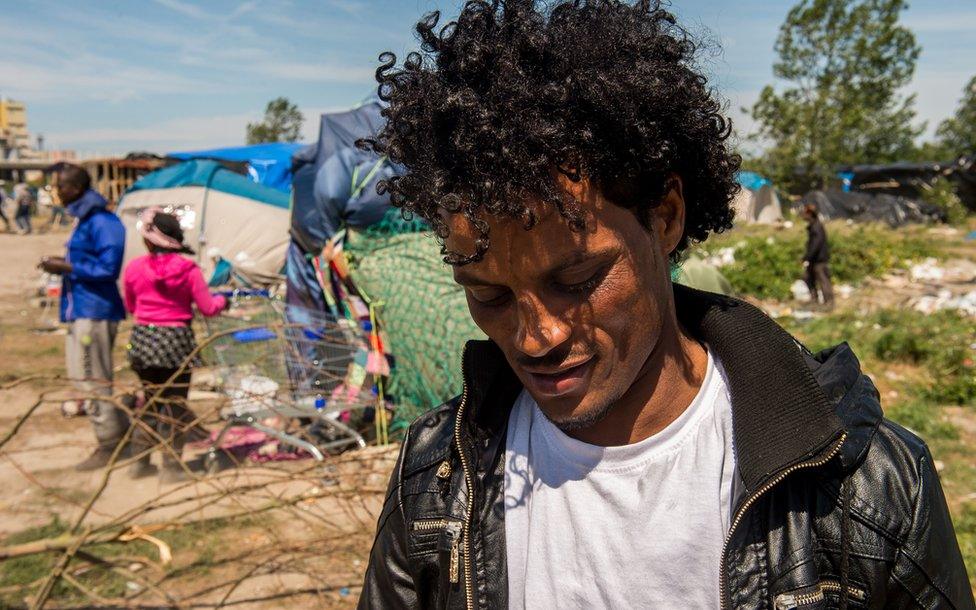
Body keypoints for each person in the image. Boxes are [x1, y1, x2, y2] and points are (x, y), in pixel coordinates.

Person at [357, 2, 974, 609]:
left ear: (666, 217)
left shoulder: (866, 489)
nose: (535, 338)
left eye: (578, 279)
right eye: (488, 294)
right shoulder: (437, 479)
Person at [123, 209, 228, 482]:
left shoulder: (134, 268)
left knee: (149, 402)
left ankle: (139, 462)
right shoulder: (188, 270)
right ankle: (171, 467)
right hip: (176, 343)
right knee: (174, 404)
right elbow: (207, 307)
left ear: (148, 241)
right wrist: (223, 302)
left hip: (143, 341)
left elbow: (131, 306)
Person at [38, 164, 128, 471]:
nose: (57, 192)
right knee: (82, 377)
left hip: (96, 312)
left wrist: (66, 268)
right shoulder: (83, 219)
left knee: (93, 379)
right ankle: (120, 431)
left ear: (75, 188)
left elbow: (108, 269)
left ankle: (111, 443)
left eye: (60, 186)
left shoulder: (103, 222)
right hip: (81, 310)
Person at [802, 202, 834, 309]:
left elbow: (816, 244)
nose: (803, 215)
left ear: (810, 214)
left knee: (823, 281)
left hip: (819, 260)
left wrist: (808, 257)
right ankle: (814, 299)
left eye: (805, 213)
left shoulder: (816, 227)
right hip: (815, 259)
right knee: (808, 278)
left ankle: (829, 303)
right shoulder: (813, 226)